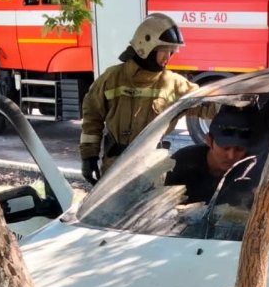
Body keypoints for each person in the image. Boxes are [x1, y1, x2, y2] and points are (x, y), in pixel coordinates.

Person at [79, 13, 198, 184]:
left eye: (171, 51)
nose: (168, 56)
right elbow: (92, 117)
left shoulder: (174, 84)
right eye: (164, 50)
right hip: (115, 170)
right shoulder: (112, 78)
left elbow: (205, 103)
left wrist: (238, 106)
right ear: (146, 46)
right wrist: (89, 157)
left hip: (151, 171)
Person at [165, 105, 256, 203]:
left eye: (239, 149)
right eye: (225, 148)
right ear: (209, 141)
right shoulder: (181, 163)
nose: (231, 156)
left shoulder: (252, 170)